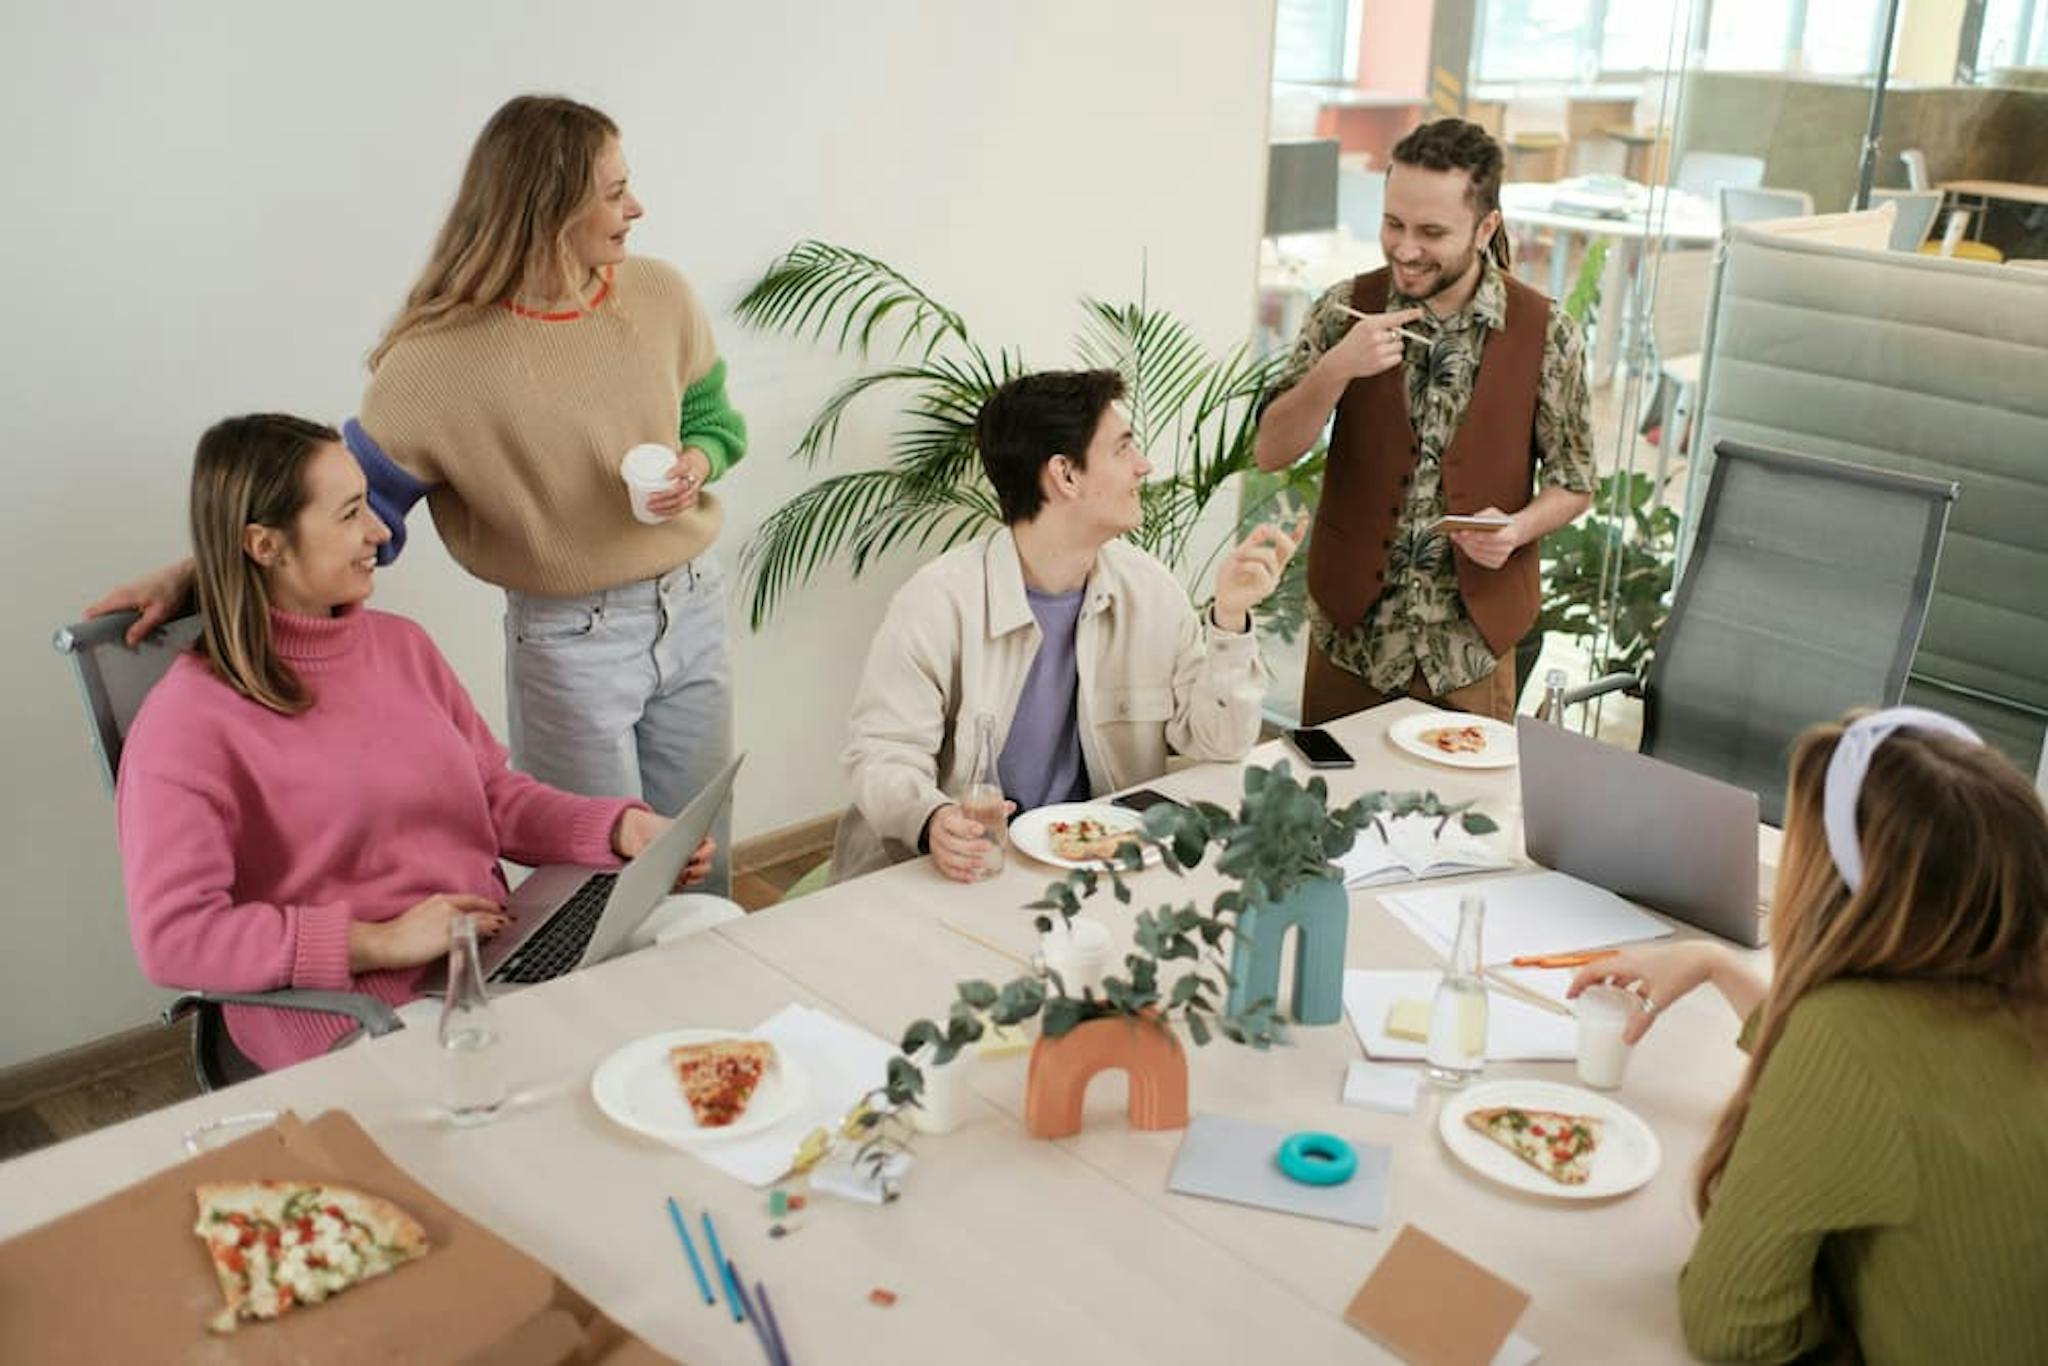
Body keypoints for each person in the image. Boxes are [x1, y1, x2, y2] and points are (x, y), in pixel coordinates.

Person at [88, 95, 746, 892]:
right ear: (550, 206)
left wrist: (699, 462)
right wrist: (196, 570)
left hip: (692, 606)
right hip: (574, 644)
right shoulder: (438, 363)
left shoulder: (658, 294)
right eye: (612, 192)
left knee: (697, 863)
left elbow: (712, 414)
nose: (635, 207)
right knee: (599, 885)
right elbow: (346, 512)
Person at [118, 414, 719, 1072]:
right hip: (349, 1005)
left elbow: (492, 797)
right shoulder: (187, 724)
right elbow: (174, 939)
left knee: (709, 930)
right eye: (350, 514)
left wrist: (620, 829)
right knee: (561, 1068)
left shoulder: (400, 645)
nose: (380, 531)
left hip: (487, 951)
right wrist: (378, 942)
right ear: (265, 544)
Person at [1567, 708, 2048, 1362]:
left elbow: (1733, 1329)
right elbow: (1911, 1083)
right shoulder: (2013, 999)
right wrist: (1717, 966)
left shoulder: (1848, 1036)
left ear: (1831, 886)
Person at [835, 369, 1299, 883]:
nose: (1143, 467)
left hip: (1086, 868)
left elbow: (1221, 743)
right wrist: (932, 819)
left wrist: (1229, 619)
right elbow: (882, 754)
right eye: (1123, 450)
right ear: (1065, 475)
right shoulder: (937, 602)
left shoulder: (1149, 589)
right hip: (955, 871)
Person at [1254, 118, 1593, 725]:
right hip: (1349, 646)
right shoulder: (1340, 310)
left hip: (1467, 652)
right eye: (1393, 224)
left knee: (1462, 821)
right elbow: (1271, 450)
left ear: (1485, 226)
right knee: (1322, 815)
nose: (1406, 248)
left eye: (1432, 232)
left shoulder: (1547, 333)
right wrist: (1336, 369)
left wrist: (1516, 529)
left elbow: (1575, 481)